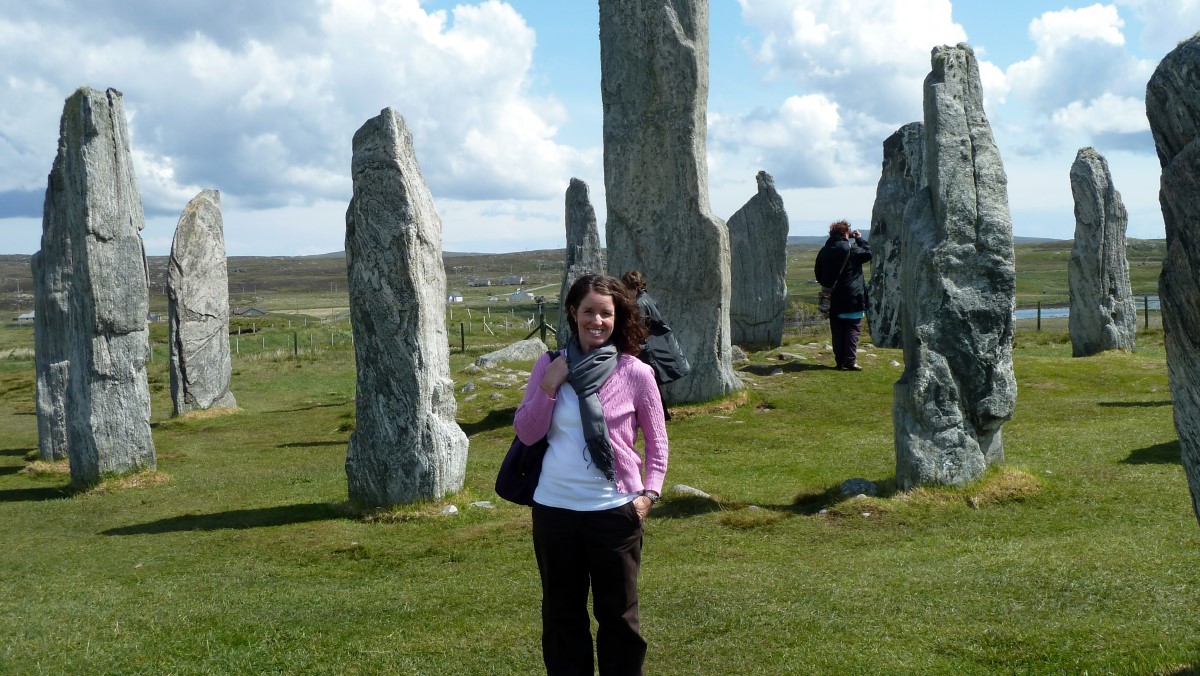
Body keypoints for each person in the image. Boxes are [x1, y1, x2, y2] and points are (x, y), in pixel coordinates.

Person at [514, 273, 669, 675]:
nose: (596, 321)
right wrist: (549, 387)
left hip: (614, 511)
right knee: (562, 617)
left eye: (605, 313)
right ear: (573, 312)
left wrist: (648, 495)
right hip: (554, 511)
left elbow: (657, 442)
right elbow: (528, 431)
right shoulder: (549, 365)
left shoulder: (635, 372)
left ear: (617, 318)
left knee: (619, 617)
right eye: (588, 311)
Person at [620, 270, 691, 421]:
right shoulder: (647, 298)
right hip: (654, 346)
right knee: (652, 384)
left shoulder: (639, 303)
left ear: (632, 287)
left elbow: (639, 328)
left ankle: (660, 414)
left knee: (649, 383)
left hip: (647, 349)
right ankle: (662, 414)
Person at [814, 220, 872, 371]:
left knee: (837, 330)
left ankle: (839, 361)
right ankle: (850, 361)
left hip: (832, 298)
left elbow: (818, 274)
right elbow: (868, 253)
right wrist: (859, 239)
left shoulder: (824, 250)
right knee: (853, 328)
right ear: (846, 233)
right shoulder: (851, 250)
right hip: (853, 296)